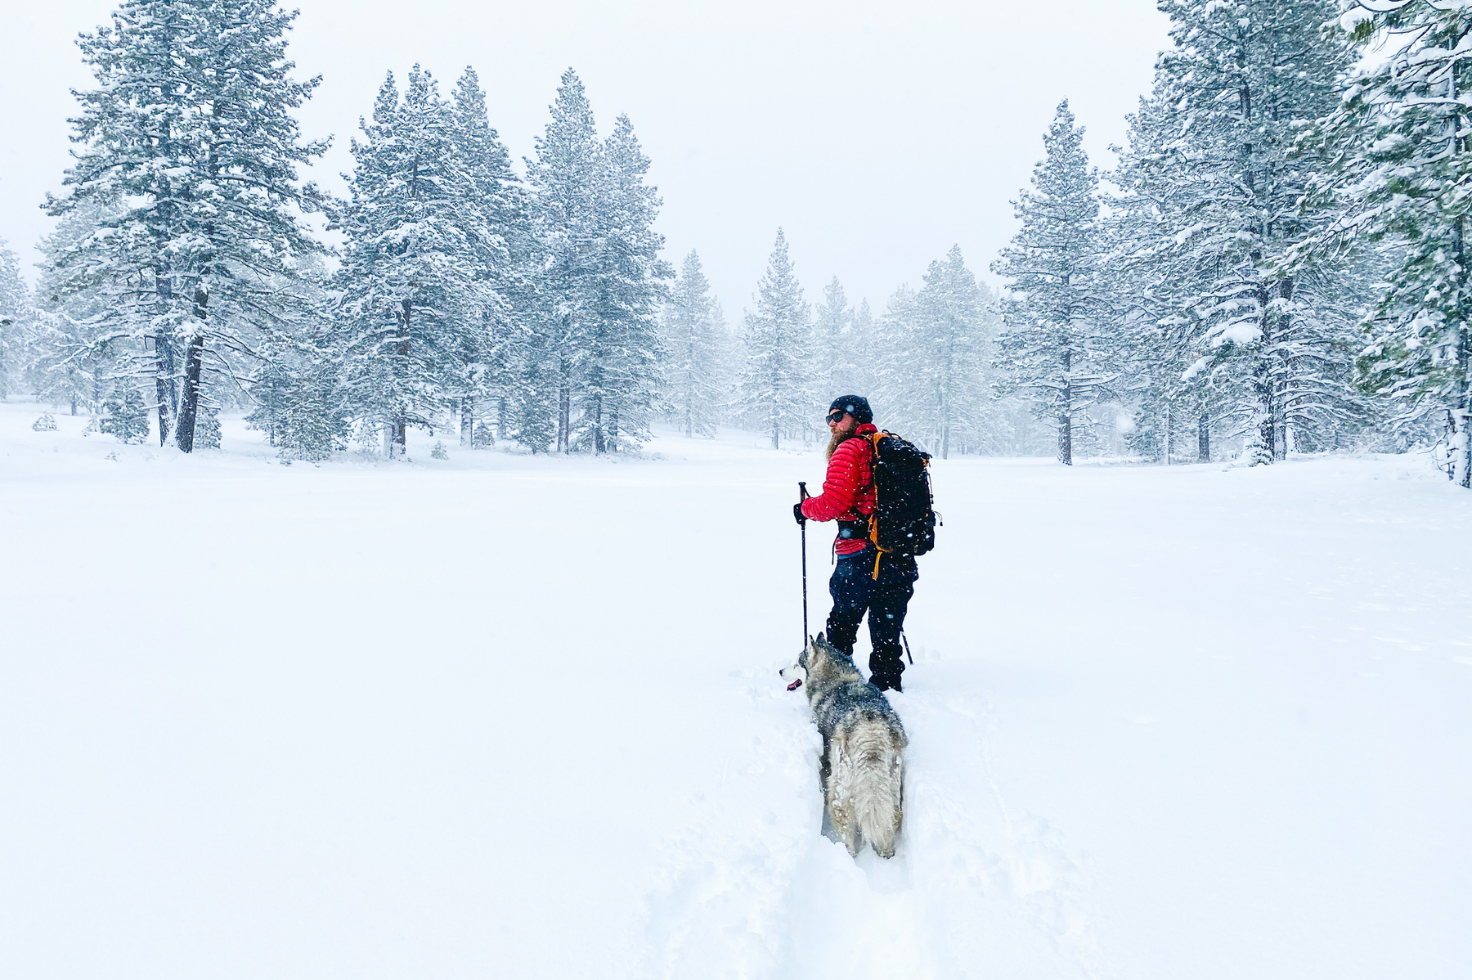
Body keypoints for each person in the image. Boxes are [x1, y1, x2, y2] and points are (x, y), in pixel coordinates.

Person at [793, 395, 918, 692]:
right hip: (898, 552)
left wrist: (804, 509)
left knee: (843, 621)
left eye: (838, 416)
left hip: (860, 553)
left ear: (857, 418)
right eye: (829, 418)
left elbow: (834, 503)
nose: (832, 424)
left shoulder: (850, 449)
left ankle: (835, 681)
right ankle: (887, 683)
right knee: (886, 622)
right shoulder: (888, 447)